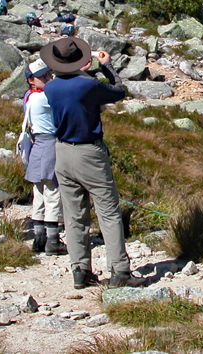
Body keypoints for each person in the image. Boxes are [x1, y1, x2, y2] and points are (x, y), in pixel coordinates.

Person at [41, 37, 147, 289]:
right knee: (108, 212)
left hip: (62, 152)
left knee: (74, 214)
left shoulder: (51, 88)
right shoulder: (87, 85)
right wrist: (107, 66)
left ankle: (80, 270)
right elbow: (118, 90)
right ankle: (119, 270)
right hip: (89, 152)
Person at [18, 58, 66, 255]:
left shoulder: (29, 97)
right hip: (50, 143)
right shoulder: (44, 97)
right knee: (53, 192)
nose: (48, 78)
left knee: (38, 191)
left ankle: (39, 238)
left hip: (37, 144)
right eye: (42, 76)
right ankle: (53, 240)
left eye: (48, 74)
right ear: (31, 80)